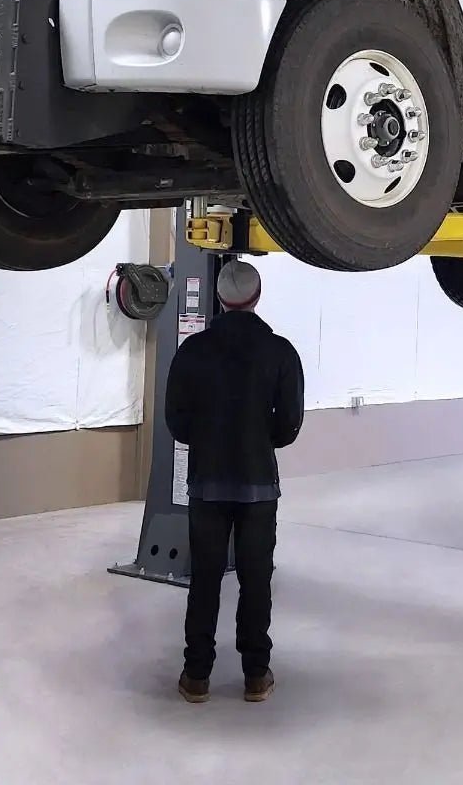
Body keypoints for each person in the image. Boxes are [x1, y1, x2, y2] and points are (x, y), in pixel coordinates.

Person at [164, 258, 305, 704]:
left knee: (205, 579)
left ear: (220, 299)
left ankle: (197, 676)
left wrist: (205, 440)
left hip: (207, 483)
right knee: (256, 578)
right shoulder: (281, 352)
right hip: (259, 485)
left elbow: (176, 421)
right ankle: (256, 676)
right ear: (256, 297)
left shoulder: (192, 351)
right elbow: (290, 424)